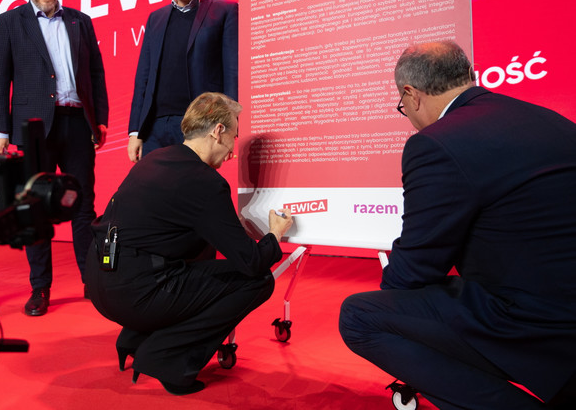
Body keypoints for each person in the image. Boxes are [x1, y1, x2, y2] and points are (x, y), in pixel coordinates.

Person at [338, 41, 576, 410]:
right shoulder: (549, 119)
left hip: (537, 317)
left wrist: (399, 296)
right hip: (554, 295)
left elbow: (414, 269)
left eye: (403, 108)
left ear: (411, 95)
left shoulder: (436, 144)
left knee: (360, 317)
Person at [86, 92, 292, 395]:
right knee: (258, 281)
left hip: (101, 281)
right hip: (136, 293)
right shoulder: (203, 181)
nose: (233, 151)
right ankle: (167, 359)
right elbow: (249, 262)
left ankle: (138, 338)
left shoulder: (156, 158)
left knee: (201, 256)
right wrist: (274, 234)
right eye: (234, 137)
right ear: (217, 131)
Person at [0, 0, 109, 316]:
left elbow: (97, 75)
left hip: (76, 124)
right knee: (36, 209)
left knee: (83, 205)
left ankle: (93, 283)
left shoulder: (80, 21)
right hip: (33, 130)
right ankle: (40, 287)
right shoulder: (10, 23)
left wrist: (99, 119)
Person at [127, 0, 238, 162]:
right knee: (155, 195)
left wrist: (227, 128)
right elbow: (144, 78)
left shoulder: (225, 11)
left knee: (191, 193)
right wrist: (136, 131)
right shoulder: (155, 19)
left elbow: (232, 74)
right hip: (154, 130)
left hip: (200, 127)